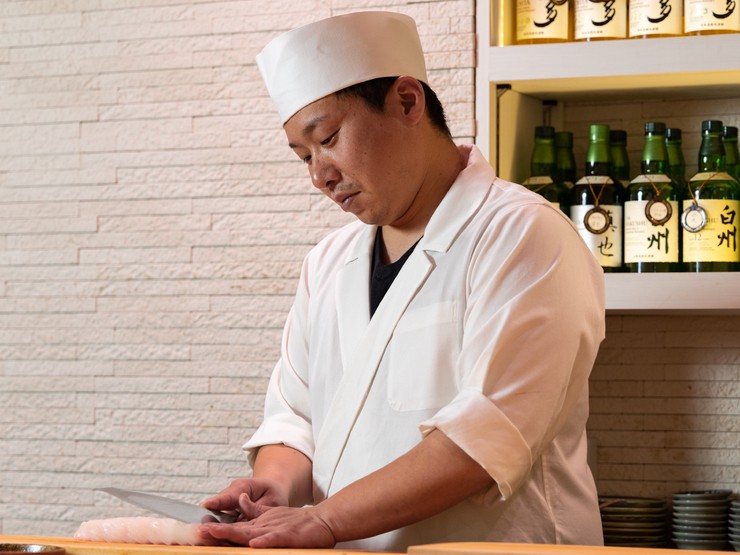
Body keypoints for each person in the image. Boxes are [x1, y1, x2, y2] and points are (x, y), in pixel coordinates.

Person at [198, 10, 606, 552]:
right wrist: (276, 485)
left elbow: (486, 435)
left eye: (328, 138)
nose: (320, 175)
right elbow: (295, 417)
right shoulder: (327, 263)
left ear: (408, 102)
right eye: (304, 156)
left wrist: (326, 520)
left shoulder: (523, 234)